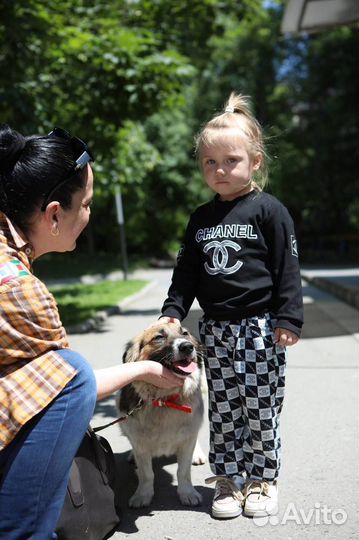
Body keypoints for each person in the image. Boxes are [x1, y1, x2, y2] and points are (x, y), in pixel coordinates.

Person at [0, 124, 184, 540]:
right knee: (73, 372)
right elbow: (64, 387)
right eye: (87, 204)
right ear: (53, 214)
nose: (89, 215)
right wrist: (142, 372)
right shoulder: (20, 289)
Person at [158, 93, 303, 519]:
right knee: (222, 408)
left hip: (261, 329)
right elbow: (186, 272)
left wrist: (288, 317)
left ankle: (262, 479)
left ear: (255, 161)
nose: (220, 170)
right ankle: (227, 479)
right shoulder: (201, 219)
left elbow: (287, 269)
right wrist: (174, 309)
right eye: (210, 163)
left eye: (231, 161)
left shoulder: (270, 212)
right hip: (217, 331)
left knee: (260, 408)